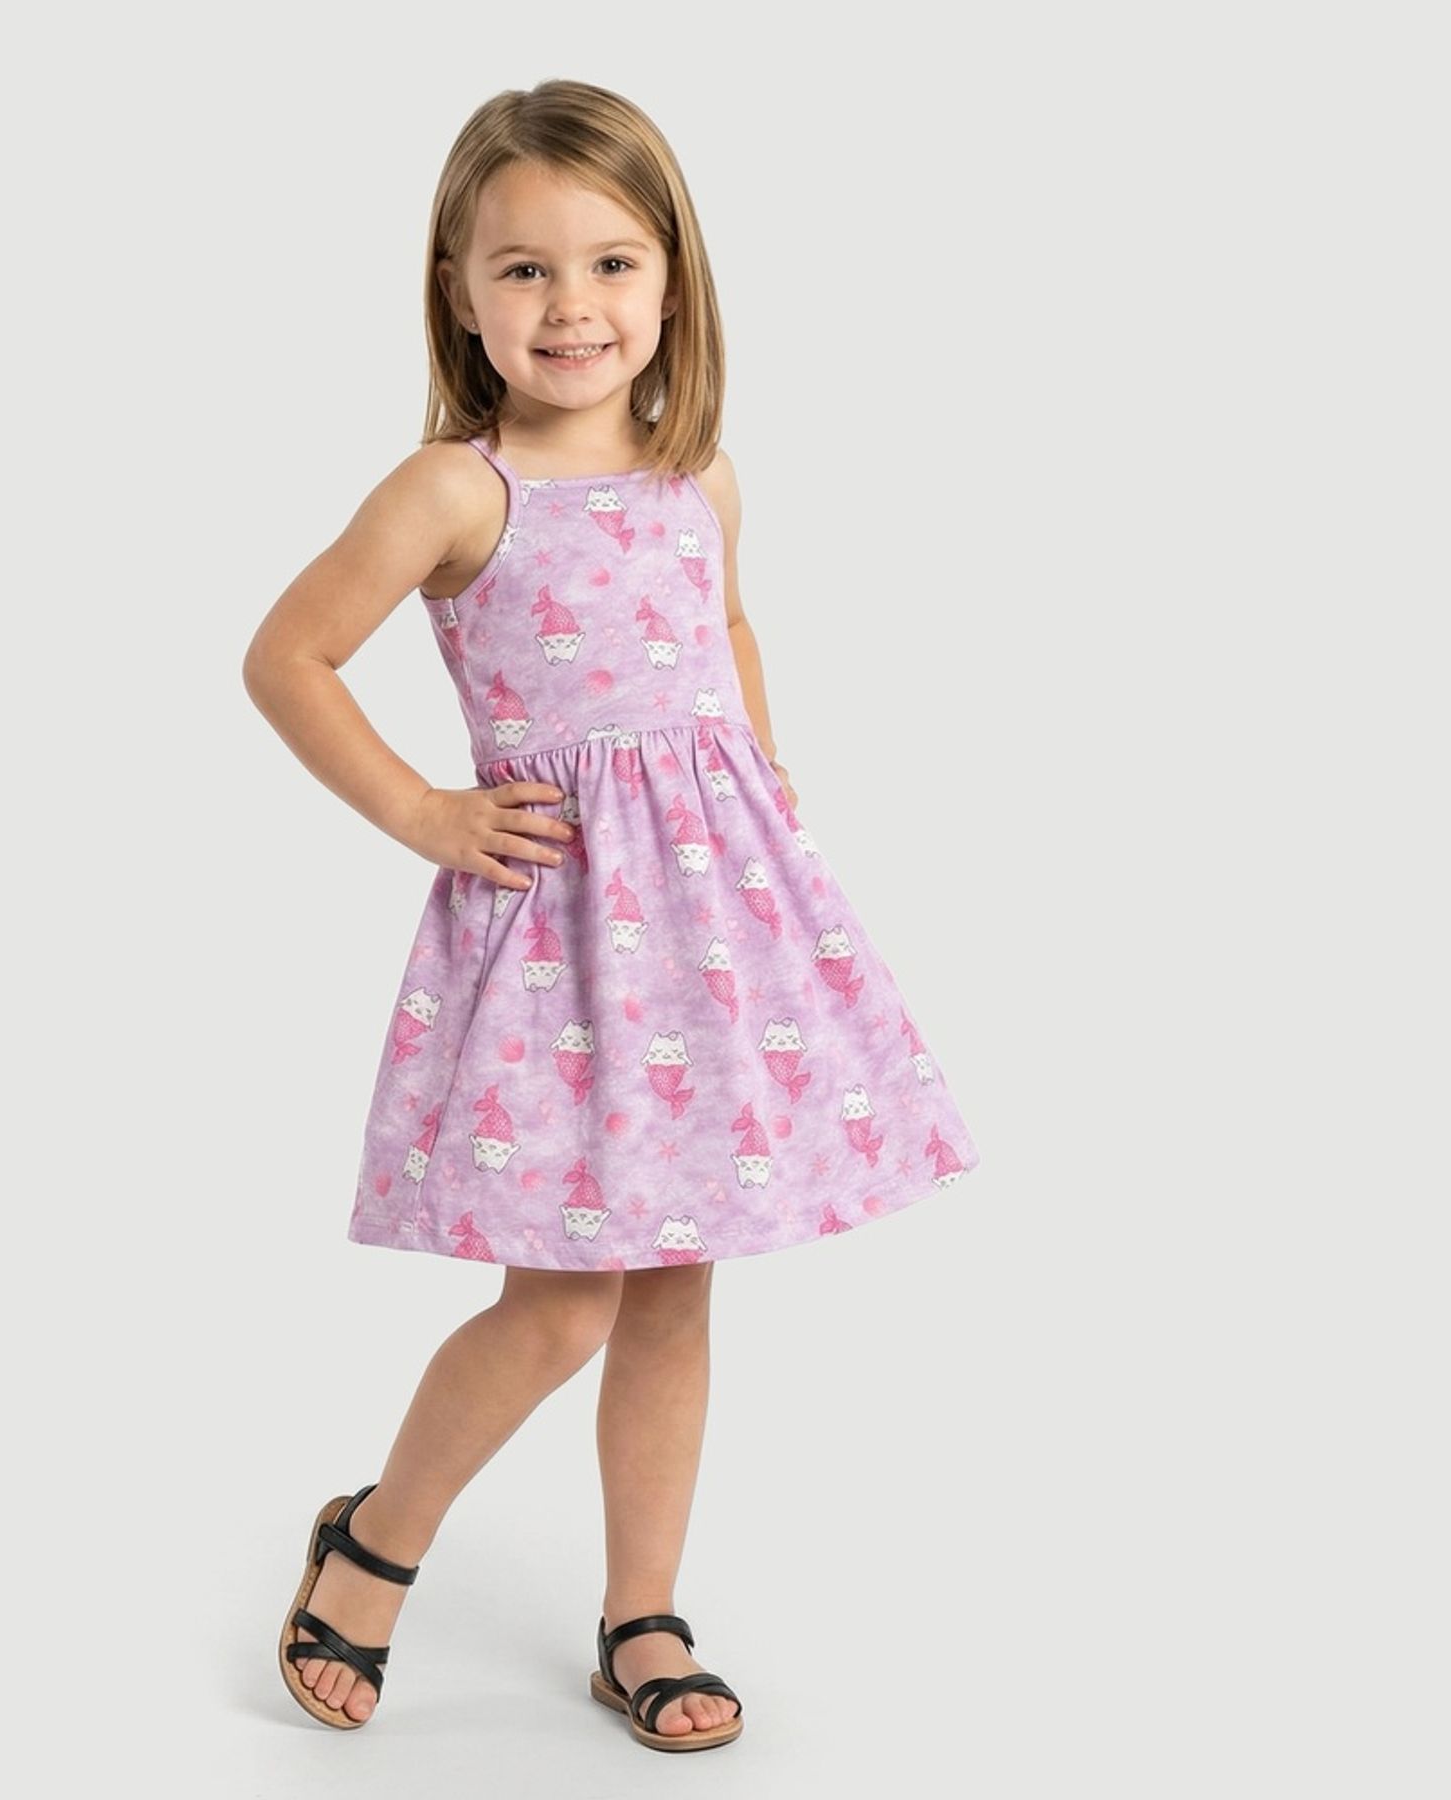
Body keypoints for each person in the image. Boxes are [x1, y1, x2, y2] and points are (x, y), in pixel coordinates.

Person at [244, 79, 981, 1751]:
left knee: (673, 1292)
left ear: (672, 280)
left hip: (711, 943)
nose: (571, 305)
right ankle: (375, 1541)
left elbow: (728, 625)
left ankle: (640, 1613)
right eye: (523, 268)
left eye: (610, 263)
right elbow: (287, 656)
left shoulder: (697, 472)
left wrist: (761, 779)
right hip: (565, 952)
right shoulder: (458, 491)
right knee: (562, 1300)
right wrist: (426, 812)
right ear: (459, 290)